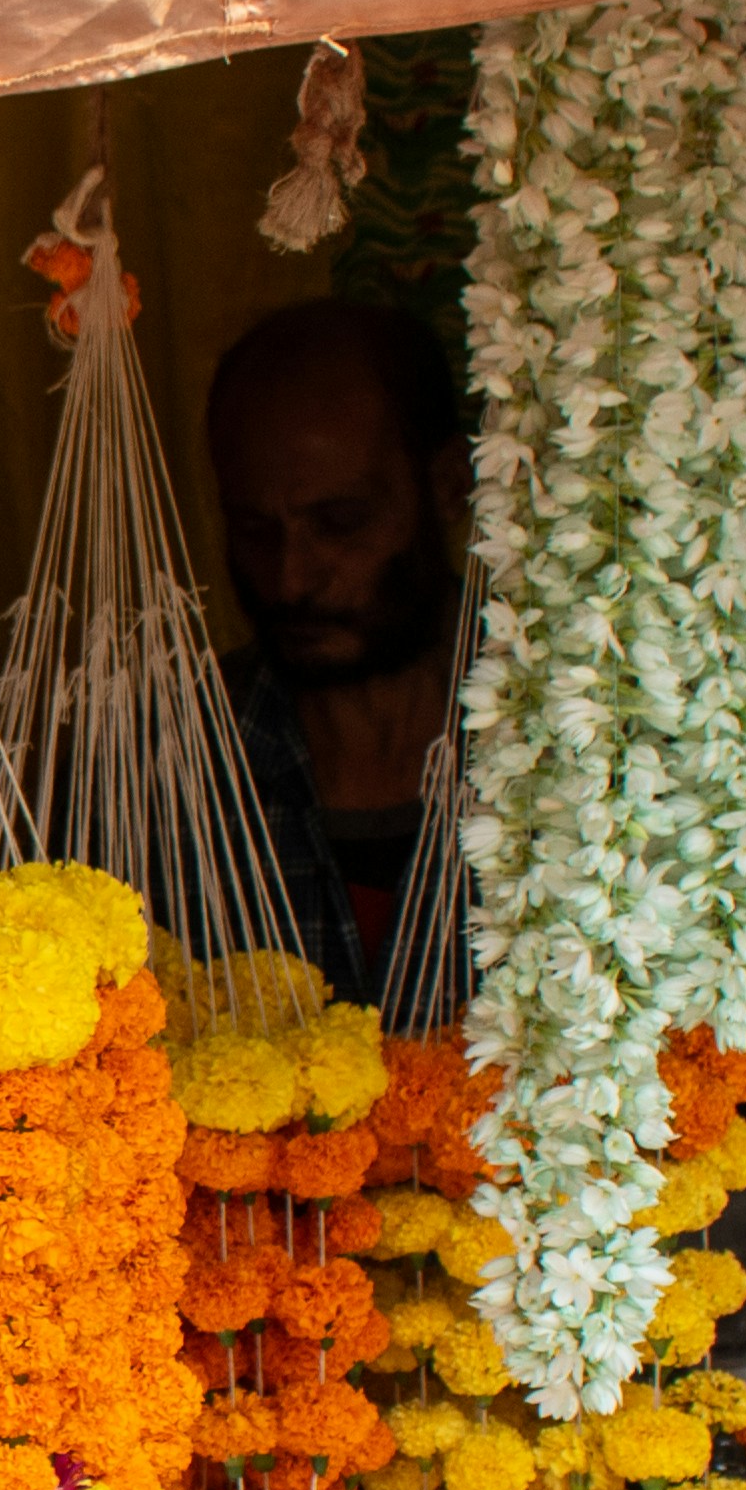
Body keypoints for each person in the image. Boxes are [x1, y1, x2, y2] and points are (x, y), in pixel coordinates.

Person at [207, 297, 472, 1003]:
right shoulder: (163, 766)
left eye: (340, 523)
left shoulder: (572, 756)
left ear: (449, 486)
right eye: (256, 529)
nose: (291, 578)